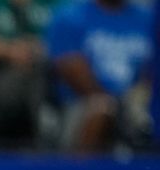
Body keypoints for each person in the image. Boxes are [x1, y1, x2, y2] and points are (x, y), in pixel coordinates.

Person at [45, 0, 153, 152]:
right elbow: (70, 67)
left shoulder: (148, 18)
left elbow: (151, 69)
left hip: (135, 99)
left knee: (142, 107)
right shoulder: (70, 16)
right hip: (81, 101)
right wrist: (115, 104)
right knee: (101, 108)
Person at [0, 0, 58, 148]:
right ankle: (38, 129)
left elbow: (71, 37)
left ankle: (43, 129)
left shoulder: (57, 3)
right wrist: (12, 51)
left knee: (38, 73)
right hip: (0, 72)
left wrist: (39, 49)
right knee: (20, 76)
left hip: (49, 70)